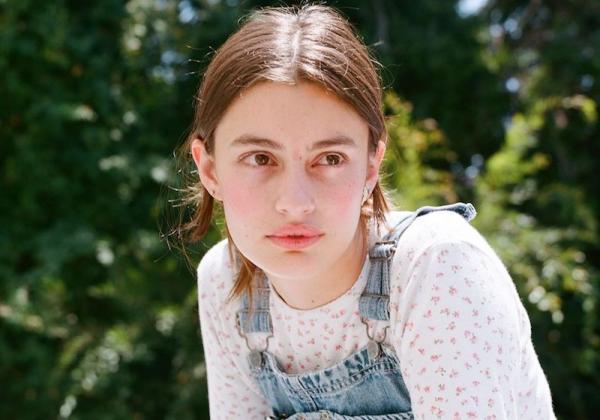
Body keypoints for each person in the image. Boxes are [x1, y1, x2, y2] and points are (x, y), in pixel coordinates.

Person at [173, 3, 556, 419]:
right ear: (209, 170)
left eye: (330, 159)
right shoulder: (226, 282)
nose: (295, 202)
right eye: (260, 159)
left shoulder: (435, 266)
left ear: (371, 167)